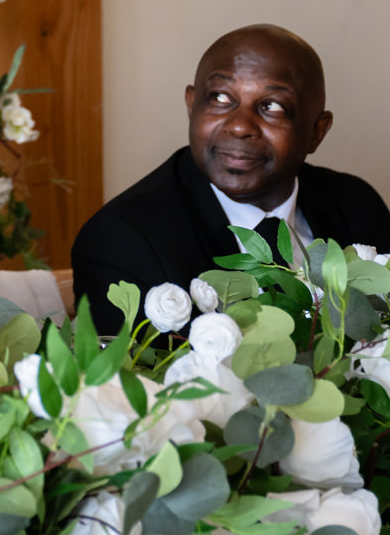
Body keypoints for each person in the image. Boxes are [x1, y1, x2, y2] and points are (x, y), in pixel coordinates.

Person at [71, 24, 390, 319]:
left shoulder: (357, 206)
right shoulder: (121, 240)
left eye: (272, 106)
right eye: (221, 98)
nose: (239, 126)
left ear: (316, 132)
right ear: (191, 106)